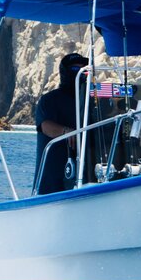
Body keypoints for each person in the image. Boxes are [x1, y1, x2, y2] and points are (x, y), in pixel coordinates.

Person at [34, 53, 88, 194]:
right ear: (65, 72)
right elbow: (45, 126)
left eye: (84, 70)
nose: (81, 73)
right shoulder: (49, 100)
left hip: (86, 173)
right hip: (53, 179)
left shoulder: (92, 102)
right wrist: (66, 132)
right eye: (76, 69)